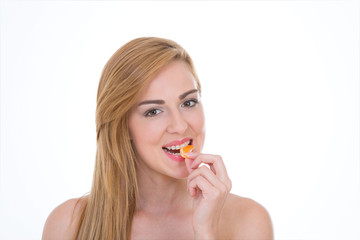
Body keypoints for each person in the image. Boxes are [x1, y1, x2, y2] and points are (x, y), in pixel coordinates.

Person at [42, 37, 273, 240]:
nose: (180, 125)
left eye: (188, 102)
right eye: (153, 111)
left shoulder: (247, 221)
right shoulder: (69, 225)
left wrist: (205, 232)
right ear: (122, 127)